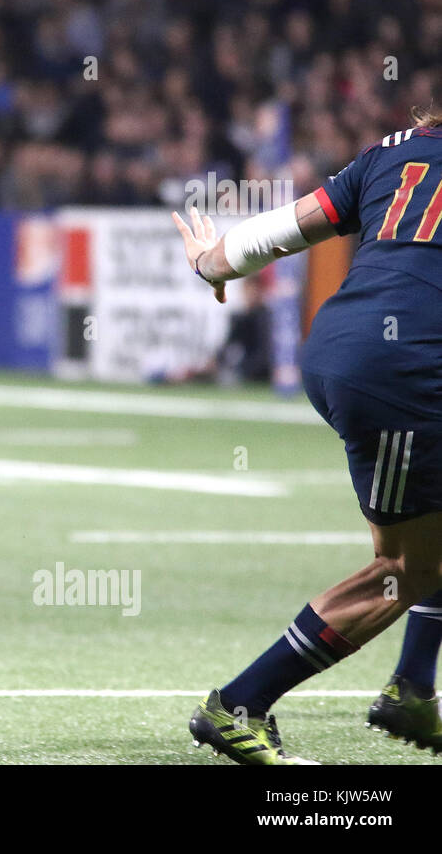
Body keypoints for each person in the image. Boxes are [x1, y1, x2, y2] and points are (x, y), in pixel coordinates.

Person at [174, 117, 442, 764]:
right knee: (406, 571)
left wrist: (214, 261)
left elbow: (285, 227)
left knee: (424, 546)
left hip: (349, 351)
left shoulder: (392, 154)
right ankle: (238, 705)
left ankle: (413, 686)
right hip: (406, 372)